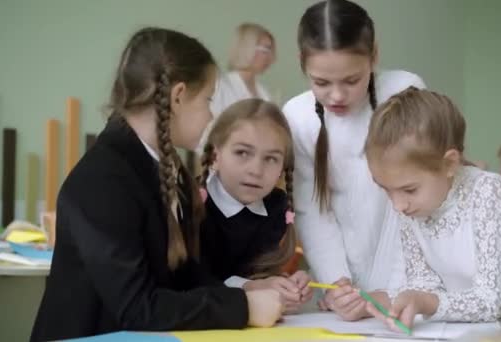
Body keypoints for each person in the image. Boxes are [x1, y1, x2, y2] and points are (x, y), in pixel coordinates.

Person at [30, 27, 282, 342]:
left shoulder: (162, 167)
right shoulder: (103, 180)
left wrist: (243, 287)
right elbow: (138, 307)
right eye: (208, 100)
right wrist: (243, 307)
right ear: (178, 96)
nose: (211, 114)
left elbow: (180, 275)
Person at [364, 87, 501, 331]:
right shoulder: (412, 206)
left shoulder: (490, 193)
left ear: (450, 163)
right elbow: (424, 285)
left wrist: (425, 302)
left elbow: (489, 302)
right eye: (386, 190)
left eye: (409, 190)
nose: (397, 205)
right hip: (458, 332)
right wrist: (392, 299)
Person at [283, 0, 425, 321]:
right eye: (321, 82)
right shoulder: (296, 117)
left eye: (351, 80)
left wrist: (394, 288)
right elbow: (312, 210)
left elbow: (418, 206)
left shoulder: (405, 91)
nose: (336, 96)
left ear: (374, 55)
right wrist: (337, 285)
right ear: (301, 63)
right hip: (342, 286)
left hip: (410, 279)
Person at [198, 99, 313, 313]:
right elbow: (189, 282)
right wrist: (251, 288)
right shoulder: (192, 205)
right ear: (215, 156)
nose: (256, 170)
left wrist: (286, 284)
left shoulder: (276, 207)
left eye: (271, 159)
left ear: (282, 168)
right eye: (242, 153)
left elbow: (255, 275)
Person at [210, 23, 276, 117]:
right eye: (266, 49)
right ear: (247, 48)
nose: (272, 58)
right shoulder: (221, 87)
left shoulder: (264, 93)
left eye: (271, 51)